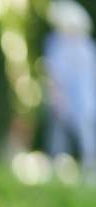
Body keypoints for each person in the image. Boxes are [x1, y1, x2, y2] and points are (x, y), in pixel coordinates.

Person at [44, 0, 96, 175]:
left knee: (86, 136)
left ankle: (89, 169)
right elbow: (54, 73)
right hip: (63, 98)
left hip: (85, 99)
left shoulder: (87, 46)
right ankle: (54, 170)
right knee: (58, 137)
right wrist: (57, 97)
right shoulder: (56, 43)